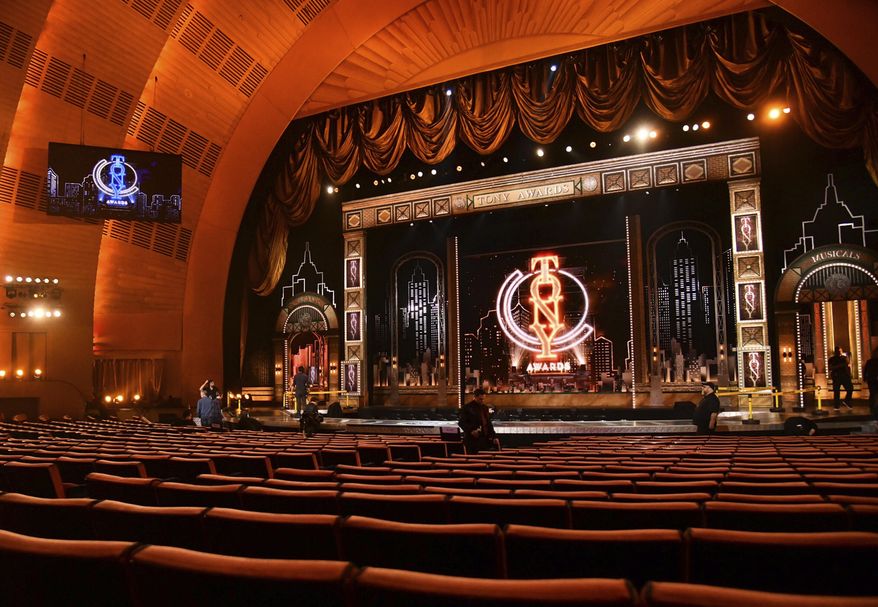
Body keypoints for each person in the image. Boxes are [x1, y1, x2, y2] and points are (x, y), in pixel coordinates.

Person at [458, 388, 497, 453]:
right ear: (475, 397)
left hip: (484, 439)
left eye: (483, 399)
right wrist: (471, 431)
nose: (482, 401)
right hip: (472, 440)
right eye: (480, 399)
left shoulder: (485, 407)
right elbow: (461, 422)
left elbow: (488, 423)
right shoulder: (467, 407)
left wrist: (494, 436)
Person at [828, 346, 853, 410]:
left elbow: (847, 367)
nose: (839, 352)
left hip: (844, 375)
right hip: (836, 376)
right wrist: (839, 366)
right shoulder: (831, 359)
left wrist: (849, 374)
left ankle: (846, 401)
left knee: (850, 388)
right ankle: (837, 405)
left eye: (840, 350)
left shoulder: (844, 358)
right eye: (838, 351)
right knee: (836, 391)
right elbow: (830, 368)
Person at [863, 348, 878, 417]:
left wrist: (865, 378)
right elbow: (866, 370)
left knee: (873, 393)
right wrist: (865, 378)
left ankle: (873, 407)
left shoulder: (870, 361)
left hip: (871, 379)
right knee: (873, 393)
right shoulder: (870, 361)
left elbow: (865, 370)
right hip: (872, 379)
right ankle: (873, 407)